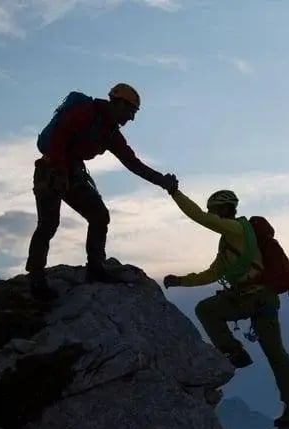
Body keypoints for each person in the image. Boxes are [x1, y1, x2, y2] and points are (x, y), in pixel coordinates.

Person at [162, 188, 289, 428]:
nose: (212, 215)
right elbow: (214, 273)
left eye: (214, 210)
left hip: (255, 298)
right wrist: (181, 281)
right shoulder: (230, 241)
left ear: (225, 209)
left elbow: (199, 217)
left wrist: (174, 192)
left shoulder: (236, 230)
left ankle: (236, 353)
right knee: (275, 353)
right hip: (261, 299)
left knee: (207, 310)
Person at [25, 83, 177, 300]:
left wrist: (162, 181)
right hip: (50, 169)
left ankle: (96, 268)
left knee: (99, 216)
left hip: (72, 173)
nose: (132, 118)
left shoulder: (110, 133)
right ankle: (36, 278)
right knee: (48, 223)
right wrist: (59, 172)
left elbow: (132, 163)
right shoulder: (86, 112)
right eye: (131, 111)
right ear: (119, 104)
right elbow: (59, 135)